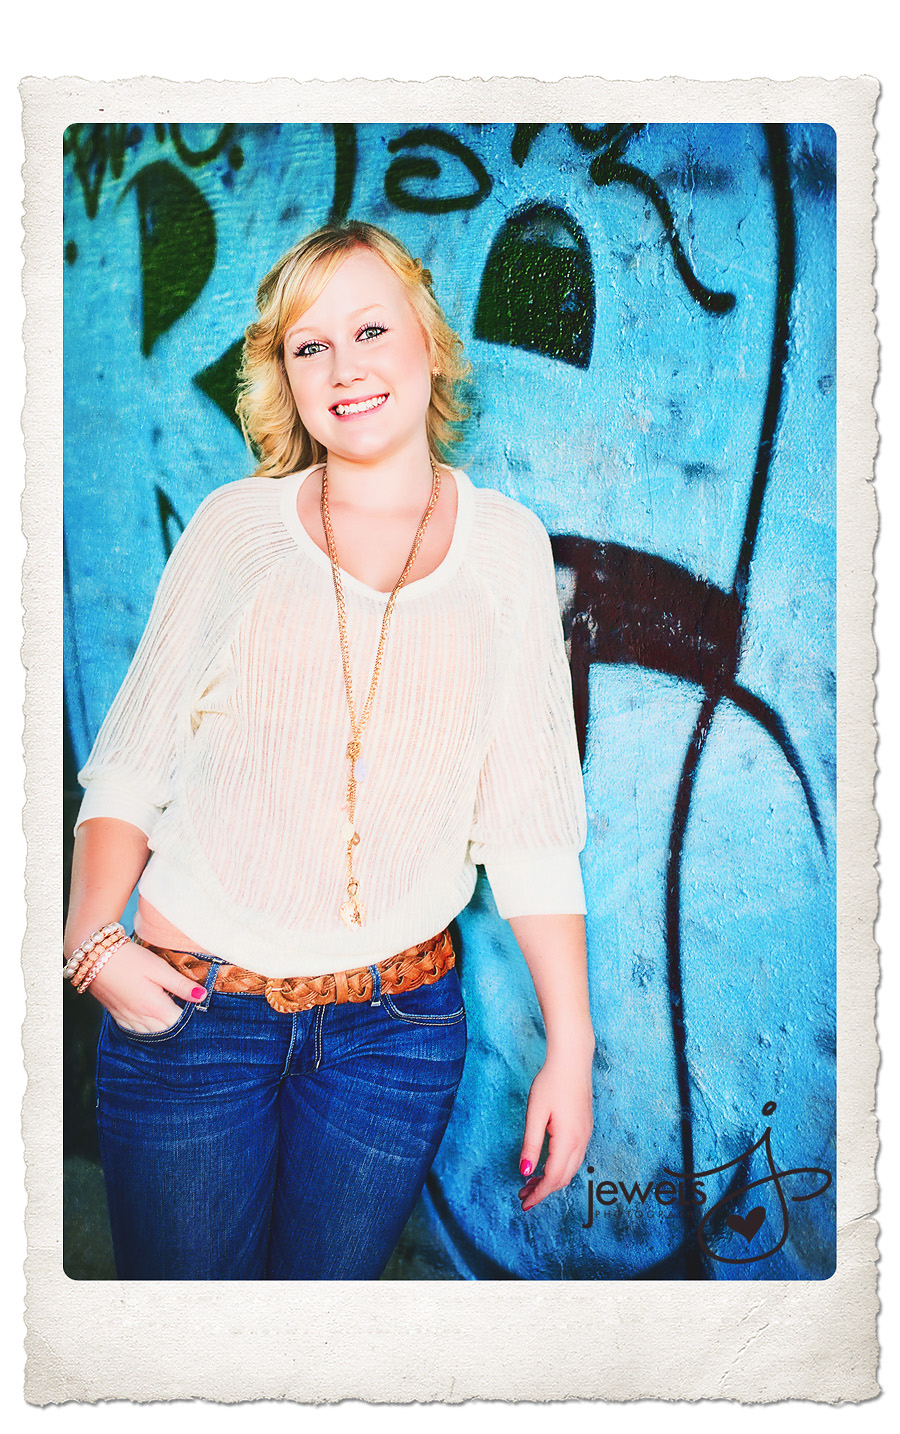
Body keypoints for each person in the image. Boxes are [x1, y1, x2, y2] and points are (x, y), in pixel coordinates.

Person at [64, 220, 595, 1280]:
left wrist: (571, 1050)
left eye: (370, 330)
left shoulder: (506, 549)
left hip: (393, 1036)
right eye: (311, 346)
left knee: (319, 1339)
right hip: (194, 1014)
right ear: (287, 378)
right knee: (189, 1348)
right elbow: (130, 765)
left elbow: (530, 826)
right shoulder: (238, 529)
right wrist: (90, 945)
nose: (345, 366)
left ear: (427, 341)